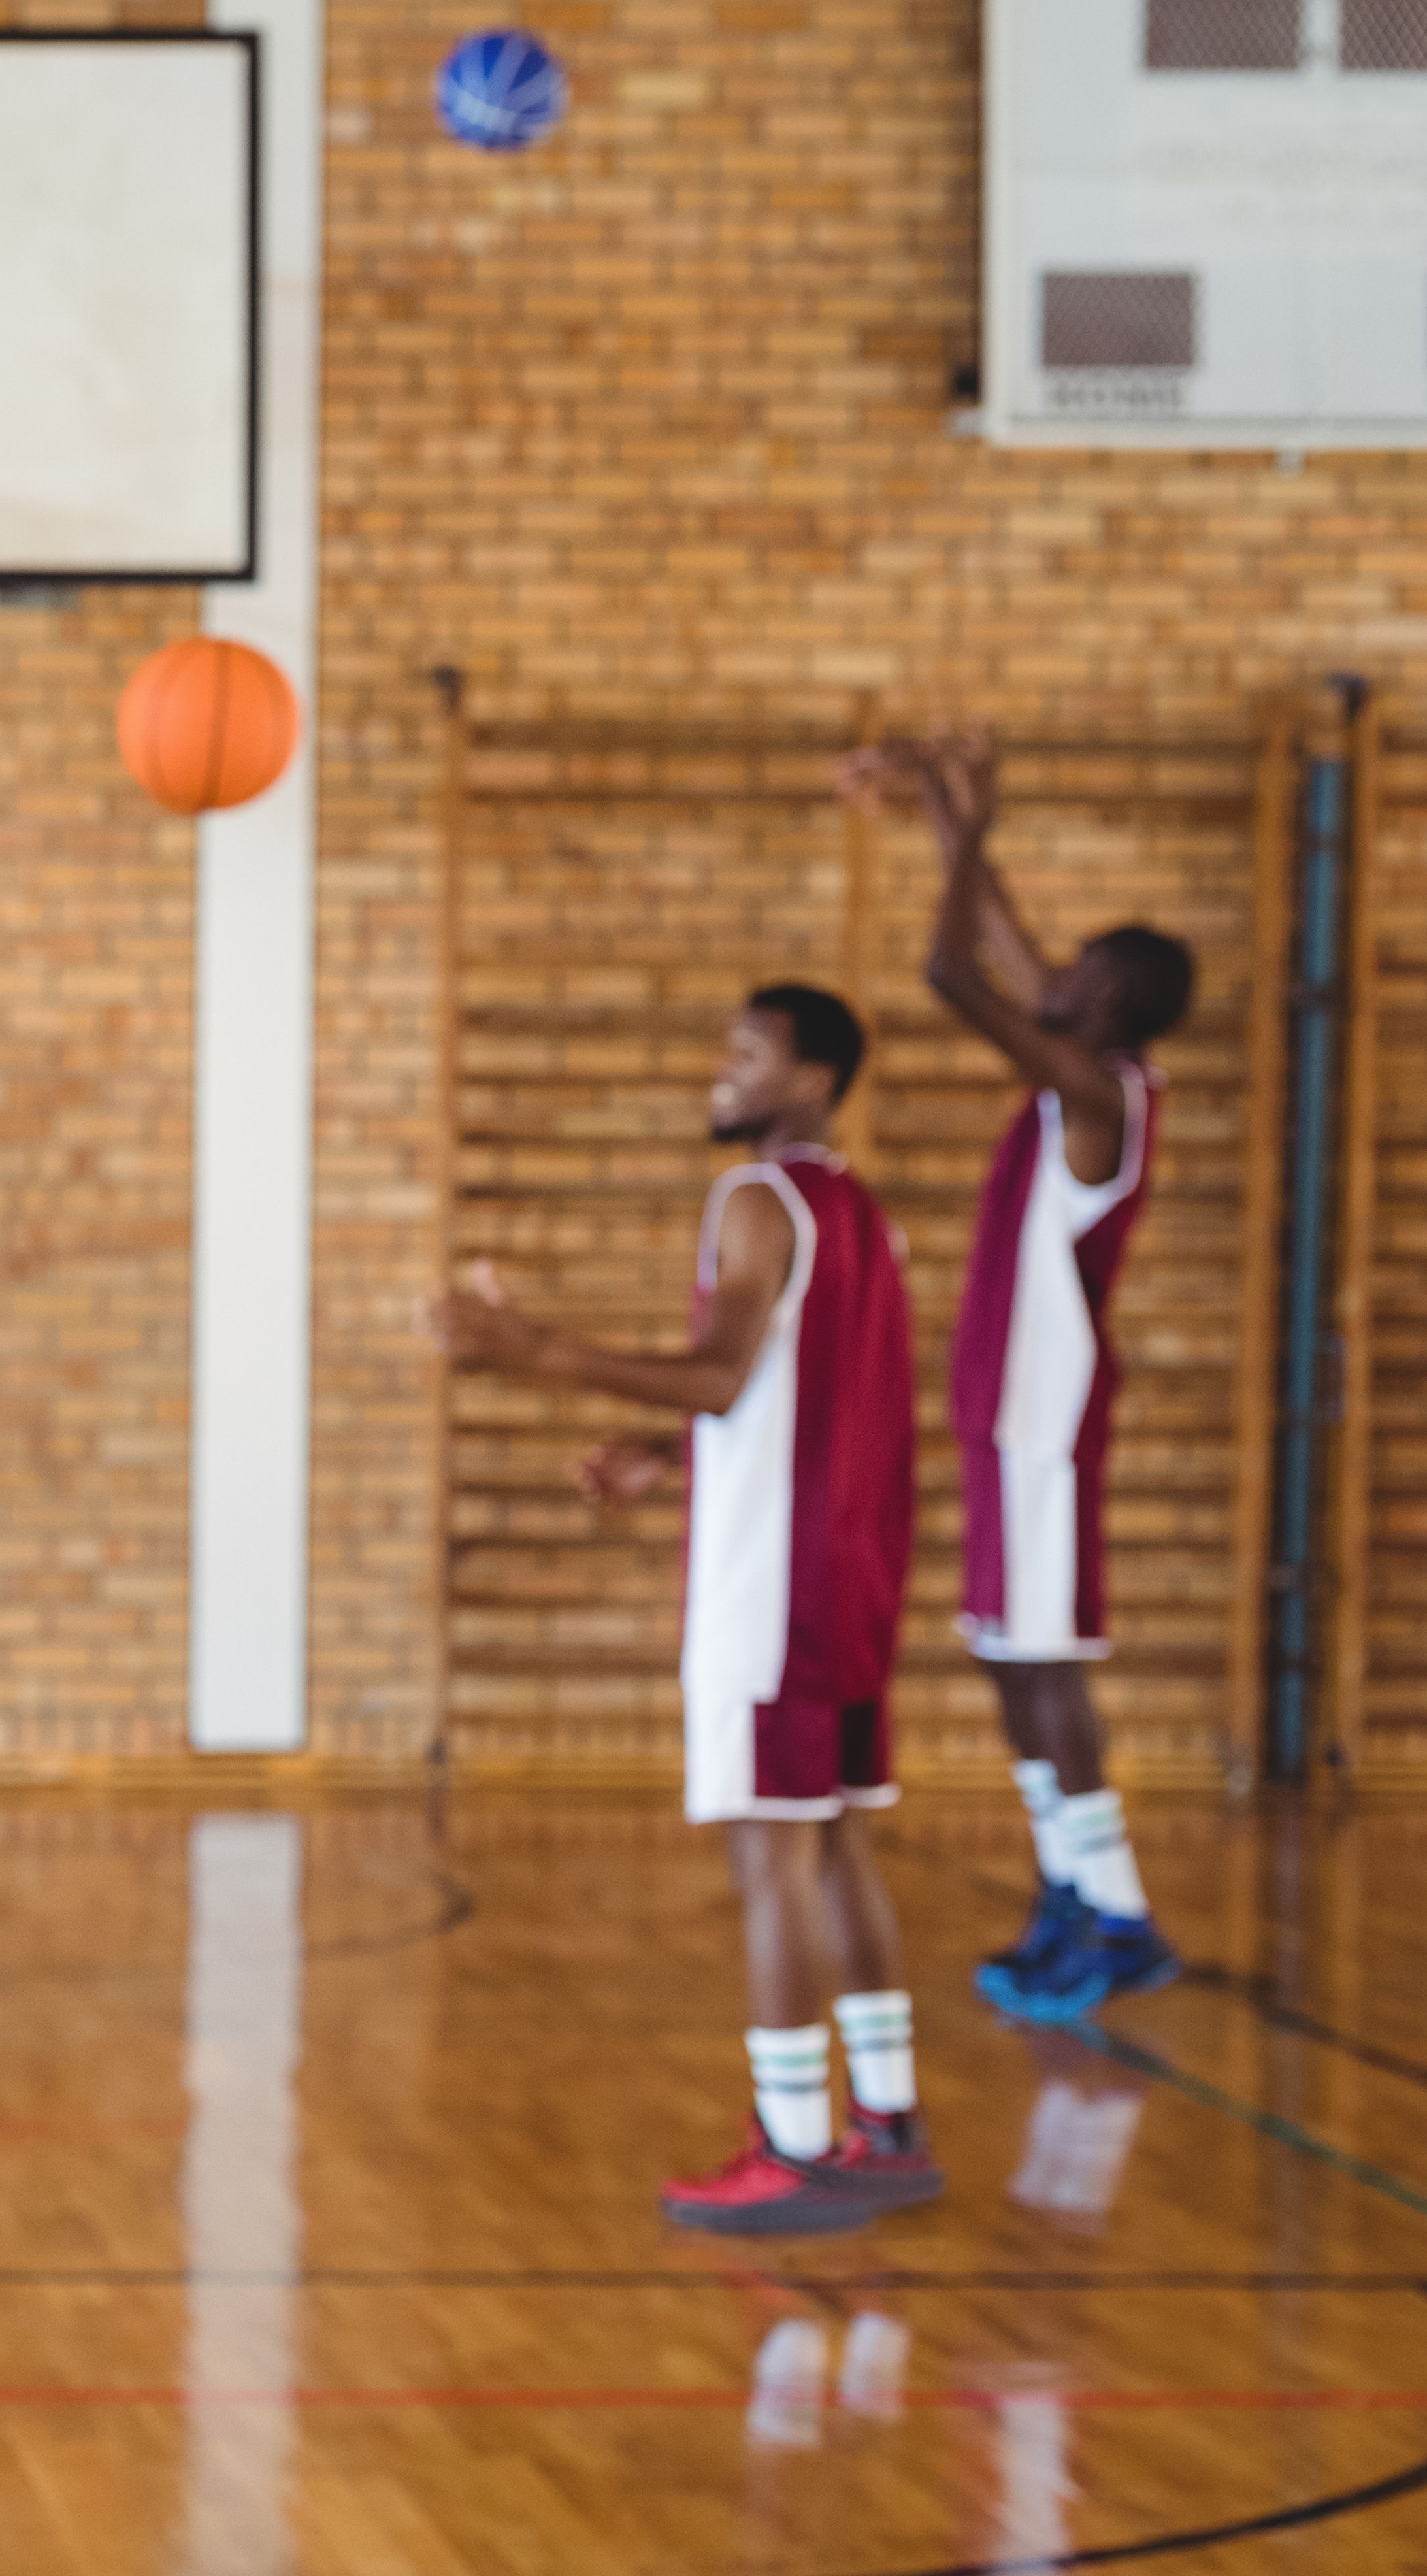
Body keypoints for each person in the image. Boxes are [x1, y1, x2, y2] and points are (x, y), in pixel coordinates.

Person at [428, 987, 937, 2236]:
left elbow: (723, 1374)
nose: (723, 1070)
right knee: (835, 1842)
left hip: (776, 1586)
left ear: (811, 1079)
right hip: (852, 1574)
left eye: (747, 1053)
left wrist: (534, 1349)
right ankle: (887, 2124)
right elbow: (794, 1388)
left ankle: (796, 2147)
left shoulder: (757, 1199)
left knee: (772, 1857)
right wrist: (669, 1450)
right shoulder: (859, 1211)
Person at [842, 727, 1198, 2023]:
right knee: (1006, 1658)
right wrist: (946, 805)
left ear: (1109, 1004)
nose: (1051, 971)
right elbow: (999, 941)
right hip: (1009, 1417)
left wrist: (975, 826)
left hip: (1046, 1420)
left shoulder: (1099, 1096)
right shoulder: (1085, 1068)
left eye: (1078, 969)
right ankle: (1071, 1886)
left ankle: (1118, 1916)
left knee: (1044, 1668)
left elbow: (952, 969)